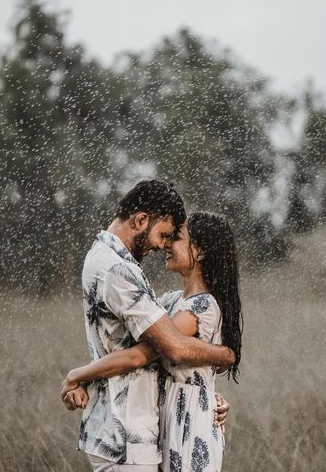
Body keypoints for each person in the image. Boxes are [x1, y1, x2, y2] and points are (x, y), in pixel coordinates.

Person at [64, 180, 235, 471]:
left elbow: (138, 348)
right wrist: (227, 355)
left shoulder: (109, 261)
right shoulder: (117, 269)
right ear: (141, 220)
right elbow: (168, 348)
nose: (163, 245)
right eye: (164, 234)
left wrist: (203, 392)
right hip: (125, 431)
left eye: (172, 238)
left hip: (135, 429)